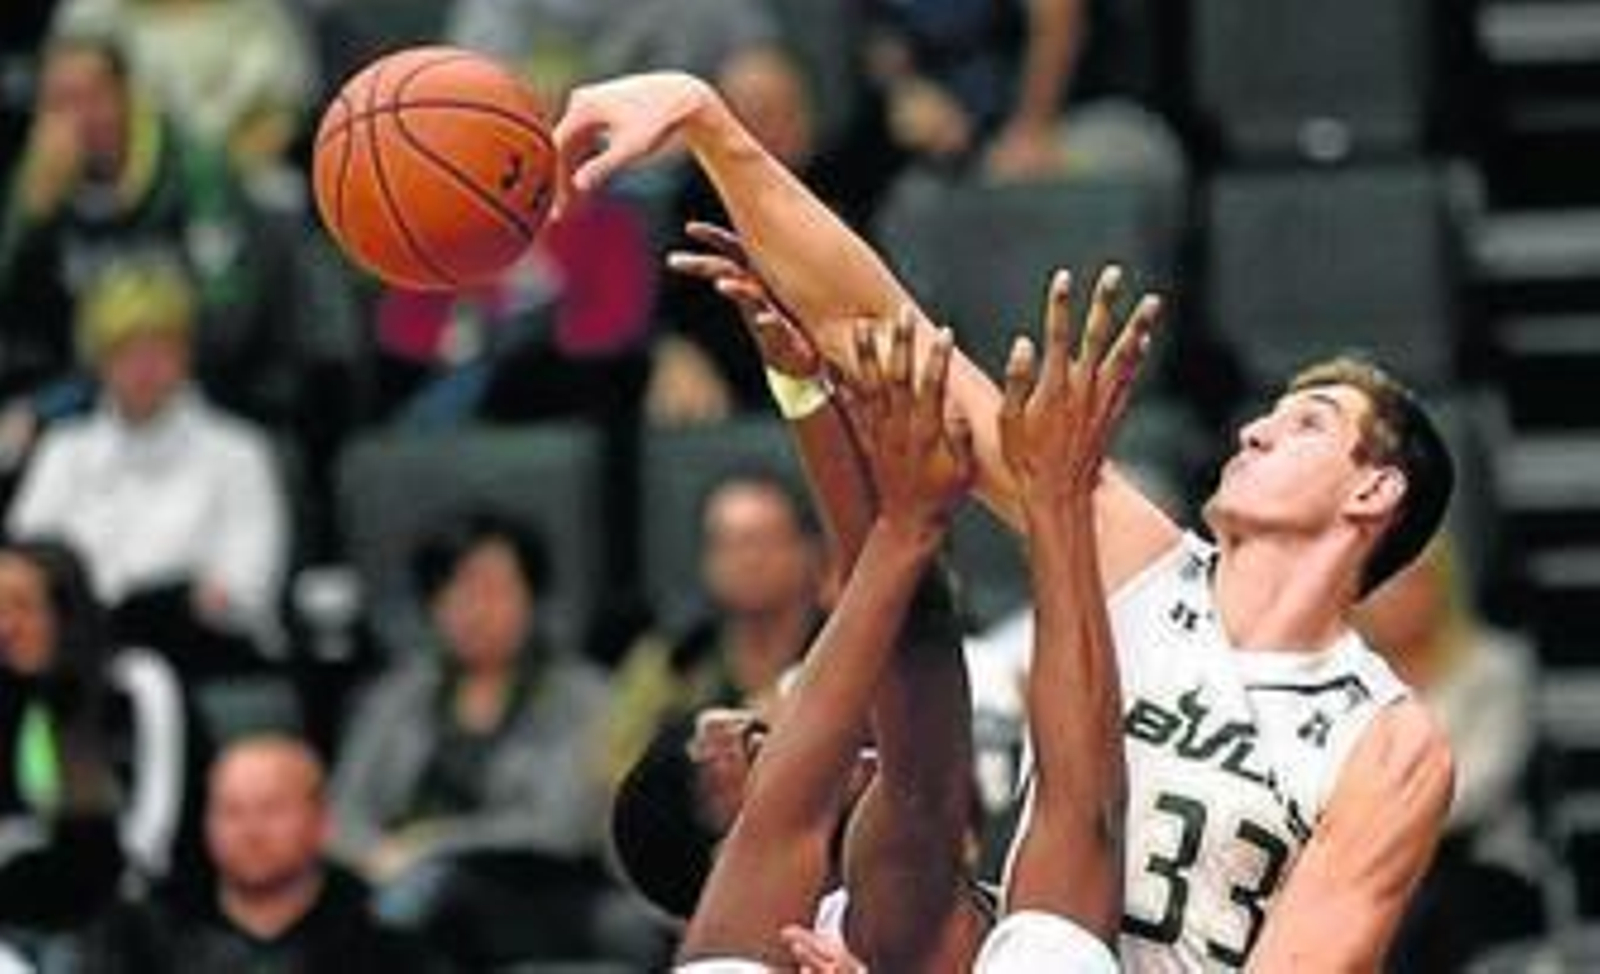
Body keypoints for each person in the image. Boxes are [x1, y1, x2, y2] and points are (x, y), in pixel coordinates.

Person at [558, 71, 1456, 969]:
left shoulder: (1386, 741)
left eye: (1309, 425)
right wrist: (716, 132)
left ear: (1373, 492)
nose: (1257, 429)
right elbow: (888, 335)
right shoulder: (1141, 564)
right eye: (1271, 414)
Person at [329, 509, 614, 965]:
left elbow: (562, 826)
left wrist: (427, 846)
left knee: (421, 896)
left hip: (534, 895)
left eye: (494, 590)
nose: (475, 609)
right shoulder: (398, 693)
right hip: (391, 884)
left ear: (533, 597)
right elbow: (342, 812)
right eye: (455, 591)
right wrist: (374, 855)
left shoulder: (585, 697)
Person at [5, 253, 289, 668]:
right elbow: (25, 573)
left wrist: (181, 603)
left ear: (186, 355)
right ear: (98, 361)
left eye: (160, 350)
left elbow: (248, 590)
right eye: (126, 352)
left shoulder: (239, 453)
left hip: (206, 660)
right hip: (82, 662)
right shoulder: (63, 451)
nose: (144, 368)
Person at [0, 32, 278, 408]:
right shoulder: (35, 182)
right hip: (77, 394)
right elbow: (19, 321)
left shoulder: (195, 171)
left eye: (92, 97)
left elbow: (229, 313)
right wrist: (31, 220)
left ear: (126, 94)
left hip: (197, 387)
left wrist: (140, 369)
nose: (78, 119)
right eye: (59, 103)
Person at [81, 735, 442, 973]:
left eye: (271, 809)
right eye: (231, 811)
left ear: (321, 821)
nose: (250, 831)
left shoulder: (380, 937)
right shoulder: (146, 933)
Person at [1356, 535, 1545, 971]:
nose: (1397, 599)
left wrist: (1375, 820)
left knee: (1413, 909)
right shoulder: (1343, 674)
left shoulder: (1496, 668)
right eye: (1385, 585)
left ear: (1444, 587)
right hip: (1360, 855)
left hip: (1471, 859)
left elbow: (1479, 786)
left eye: (1413, 583)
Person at [0, 538, 204, 932]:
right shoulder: (10, 693)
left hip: (127, 912)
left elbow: (156, 833)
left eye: (23, 607)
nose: (6, 626)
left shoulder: (134, 681)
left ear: (66, 609)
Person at [605, 464, 826, 783]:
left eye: (761, 541)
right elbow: (622, 778)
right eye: (725, 544)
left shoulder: (847, 653)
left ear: (810, 552)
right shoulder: (670, 663)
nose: (746, 560)